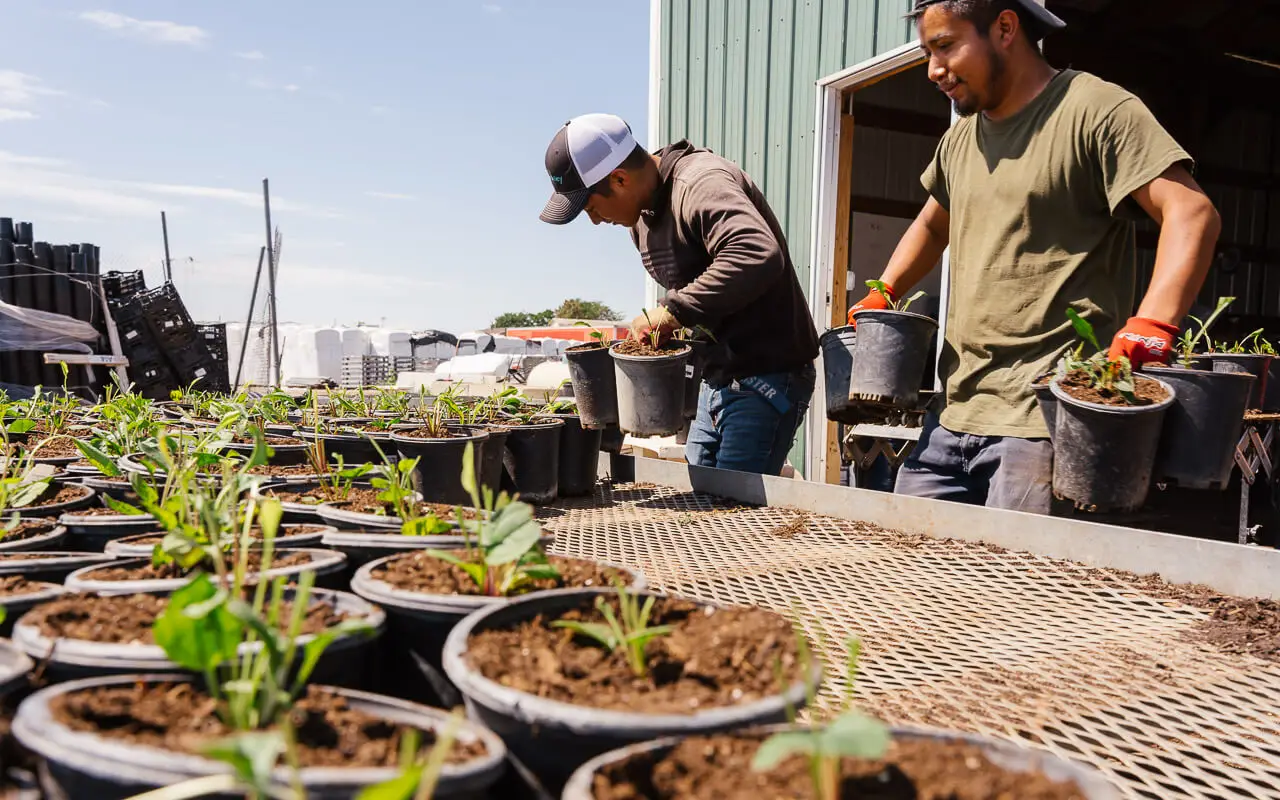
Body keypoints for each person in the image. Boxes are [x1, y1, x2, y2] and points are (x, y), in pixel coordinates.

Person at [848, 0, 1221, 513]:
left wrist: (1153, 323)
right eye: (926, 53)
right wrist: (883, 289)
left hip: (1043, 426)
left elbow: (1191, 212)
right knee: (909, 576)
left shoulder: (1095, 112)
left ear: (1004, 27)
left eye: (945, 46)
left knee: (1017, 591)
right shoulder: (959, 141)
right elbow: (933, 224)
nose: (934, 70)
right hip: (952, 415)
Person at [539, 113, 819, 475]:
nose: (594, 220)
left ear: (619, 179)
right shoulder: (641, 217)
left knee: (733, 514)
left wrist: (672, 312)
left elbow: (755, 252)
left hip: (767, 374)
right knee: (701, 497)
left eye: (591, 207)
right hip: (717, 378)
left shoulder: (700, 183)